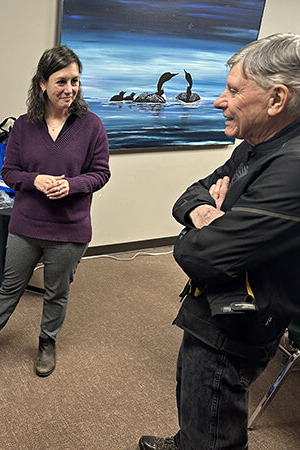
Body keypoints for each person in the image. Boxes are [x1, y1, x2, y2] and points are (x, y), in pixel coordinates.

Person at [139, 33, 300, 450]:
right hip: (210, 305)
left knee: (214, 420)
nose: (217, 101)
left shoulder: (293, 167)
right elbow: (190, 194)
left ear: (277, 99)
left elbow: (200, 255)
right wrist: (206, 214)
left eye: (233, 90)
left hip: (239, 324)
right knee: (194, 396)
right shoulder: (255, 145)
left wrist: (201, 229)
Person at [0, 45, 111, 377]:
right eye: (61, 81)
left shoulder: (92, 125)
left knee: (57, 292)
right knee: (10, 287)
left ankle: (47, 342)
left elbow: (100, 174)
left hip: (69, 229)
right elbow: (9, 173)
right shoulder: (24, 126)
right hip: (26, 226)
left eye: (75, 81)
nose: (69, 89)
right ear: (42, 83)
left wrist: (71, 186)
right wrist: (35, 180)